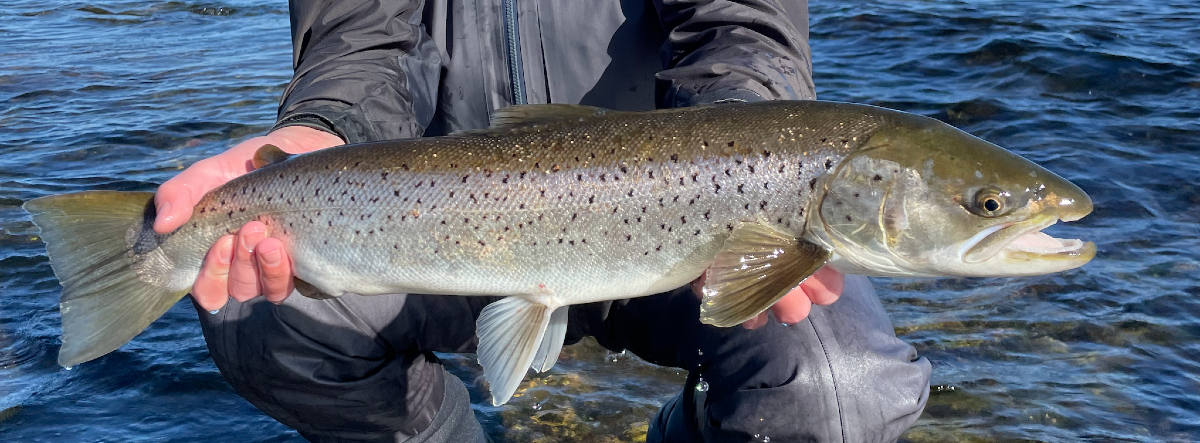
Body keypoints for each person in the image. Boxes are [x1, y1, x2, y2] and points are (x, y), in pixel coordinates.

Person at [153, 0, 931, 441]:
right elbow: (362, 38)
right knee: (258, 312)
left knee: (844, 387)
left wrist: (745, 154)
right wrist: (324, 126)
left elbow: (740, 23)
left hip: (678, 218)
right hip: (449, 228)